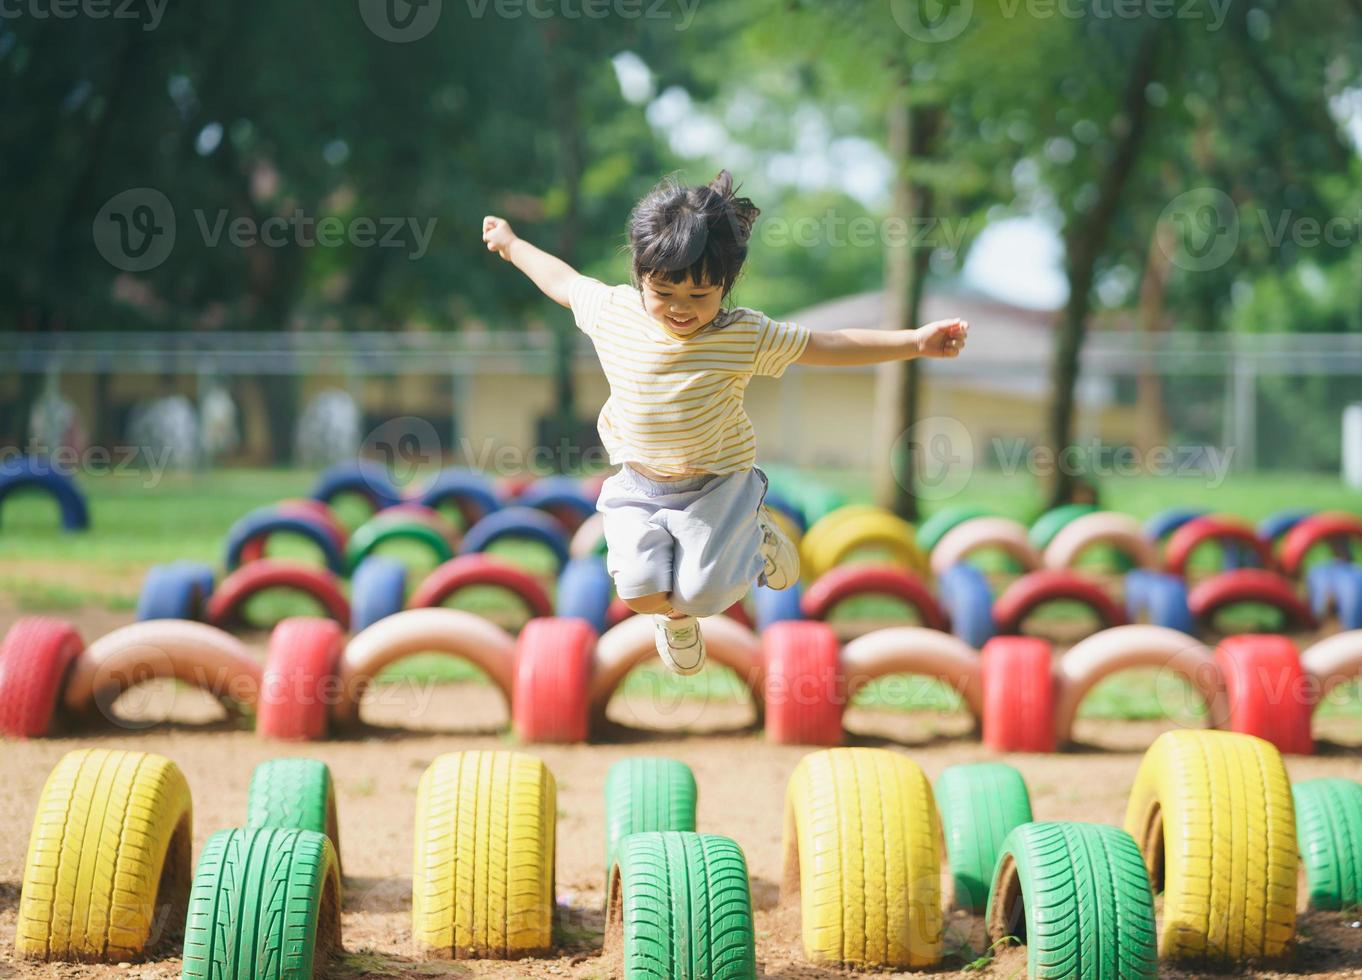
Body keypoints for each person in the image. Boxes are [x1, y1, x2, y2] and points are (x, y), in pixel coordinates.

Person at [482, 170, 968, 674]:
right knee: (638, 591)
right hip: (638, 484)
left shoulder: (742, 335)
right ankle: (673, 621)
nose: (680, 309)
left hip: (716, 488)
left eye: (700, 296)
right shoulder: (613, 312)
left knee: (704, 595)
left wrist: (914, 342)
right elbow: (561, 280)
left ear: (726, 285)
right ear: (640, 273)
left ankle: (754, 539)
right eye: (665, 292)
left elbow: (828, 345)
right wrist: (512, 243)